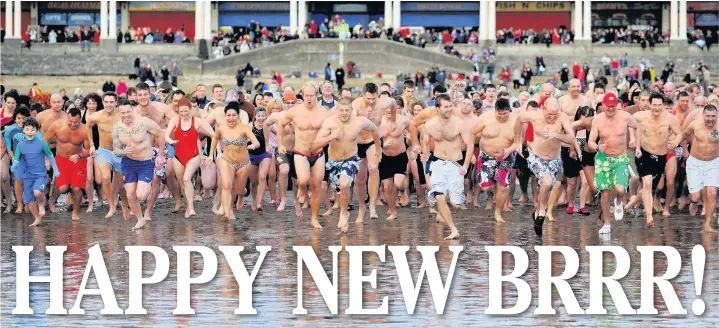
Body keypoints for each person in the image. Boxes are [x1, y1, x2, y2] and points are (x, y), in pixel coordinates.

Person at [313, 97, 381, 232]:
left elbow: (374, 130)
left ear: (352, 110)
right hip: (333, 162)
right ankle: (345, 212)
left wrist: (378, 149)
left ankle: (344, 213)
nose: (344, 113)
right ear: (337, 110)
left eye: (347, 110)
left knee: (345, 184)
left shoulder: (359, 122)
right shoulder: (330, 123)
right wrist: (331, 137)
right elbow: (316, 144)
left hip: (351, 160)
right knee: (340, 190)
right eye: (342, 110)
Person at [513, 97, 576, 235]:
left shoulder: (563, 118)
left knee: (551, 185)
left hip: (554, 158)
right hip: (537, 156)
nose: (552, 117)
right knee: (546, 182)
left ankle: (537, 213)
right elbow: (518, 120)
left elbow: (571, 138)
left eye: (555, 114)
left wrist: (557, 135)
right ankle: (541, 211)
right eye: (549, 114)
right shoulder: (534, 116)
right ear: (543, 109)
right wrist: (517, 141)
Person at [278, 83, 333, 228]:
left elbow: (334, 127)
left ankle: (314, 219)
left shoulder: (324, 112)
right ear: (302, 95)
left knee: (316, 187)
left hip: (318, 153)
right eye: (306, 95)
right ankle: (302, 190)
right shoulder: (295, 111)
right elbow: (280, 125)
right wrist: (280, 144)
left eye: (312, 95)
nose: (309, 98)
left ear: (317, 95)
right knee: (302, 180)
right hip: (300, 152)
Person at [586, 93, 642, 234]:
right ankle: (607, 224)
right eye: (608, 106)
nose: (610, 109)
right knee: (604, 193)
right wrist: (598, 147)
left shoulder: (625, 117)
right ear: (603, 105)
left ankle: (618, 201)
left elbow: (638, 127)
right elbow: (590, 142)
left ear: (616, 105)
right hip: (603, 158)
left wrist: (637, 146)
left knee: (621, 189)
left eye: (613, 106)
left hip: (620, 157)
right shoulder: (597, 120)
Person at [420, 94, 474, 240]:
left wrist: (466, 164)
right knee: (438, 196)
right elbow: (424, 141)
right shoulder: (429, 125)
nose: (450, 109)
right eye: (446, 106)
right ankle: (453, 229)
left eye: (451, 106)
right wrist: (424, 153)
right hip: (437, 162)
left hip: (455, 163)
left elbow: (470, 144)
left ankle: (443, 210)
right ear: (437, 108)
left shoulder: (459, 124)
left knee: (455, 203)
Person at [112, 99, 167, 230]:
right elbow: (116, 150)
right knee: (130, 194)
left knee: (141, 195)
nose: (126, 115)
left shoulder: (143, 122)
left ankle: (146, 188)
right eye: (123, 113)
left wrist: (160, 155)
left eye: (128, 112)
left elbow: (160, 134)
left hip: (145, 163)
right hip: (128, 162)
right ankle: (140, 219)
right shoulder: (117, 128)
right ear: (118, 113)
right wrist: (123, 151)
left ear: (132, 110)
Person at [630, 93, 682, 225]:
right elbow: (629, 122)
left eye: (659, 105)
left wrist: (675, 142)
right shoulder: (641, 116)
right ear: (650, 104)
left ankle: (633, 201)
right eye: (654, 105)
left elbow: (680, 133)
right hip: (644, 154)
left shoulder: (670, 118)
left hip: (661, 156)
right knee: (647, 184)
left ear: (663, 105)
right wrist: (632, 138)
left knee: (651, 187)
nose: (657, 108)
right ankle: (649, 218)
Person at [206, 102, 260, 220]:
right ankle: (228, 212)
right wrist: (211, 154)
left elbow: (256, 141)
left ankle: (241, 196)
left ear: (238, 116)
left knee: (239, 189)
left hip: (243, 163)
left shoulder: (244, 129)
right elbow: (215, 138)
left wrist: (253, 145)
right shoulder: (221, 129)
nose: (231, 118)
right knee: (226, 186)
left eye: (233, 115)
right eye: (228, 115)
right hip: (227, 160)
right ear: (225, 116)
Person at [671, 104, 718, 232]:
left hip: (713, 163)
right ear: (703, 115)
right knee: (695, 197)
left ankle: (707, 225)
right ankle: (694, 202)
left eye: (713, 116)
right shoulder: (695, 124)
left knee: (712, 194)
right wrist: (676, 142)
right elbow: (683, 134)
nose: (710, 119)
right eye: (707, 116)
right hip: (695, 163)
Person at [165, 98, 214, 218]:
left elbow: (214, 135)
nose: (183, 114)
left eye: (186, 111)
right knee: (183, 183)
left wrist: (211, 154)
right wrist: (171, 140)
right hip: (178, 156)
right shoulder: (175, 120)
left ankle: (191, 207)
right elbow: (166, 135)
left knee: (187, 178)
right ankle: (188, 205)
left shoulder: (197, 121)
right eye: (181, 112)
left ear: (190, 109)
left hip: (194, 155)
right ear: (178, 111)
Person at [85, 92, 130, 220]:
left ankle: (125, 205)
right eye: (106, 102)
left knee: (121, 184)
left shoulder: (122, 115)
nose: (108, 105)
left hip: (119, 152)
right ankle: (112, 206)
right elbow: (87, 126)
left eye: (111, 102)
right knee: (105, 177)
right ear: (102, 102)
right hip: (103, 151)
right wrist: (92, 144)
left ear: (116, 102)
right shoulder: (97, 116)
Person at [471, 98, 516, 222]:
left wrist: (511, 149)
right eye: (499, 113)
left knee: (502, 185)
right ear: (495, 110)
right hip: (486, 156)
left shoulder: (515, 121)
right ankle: (495, 191)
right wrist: (471, 154)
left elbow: (519, 142)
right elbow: (472, 133)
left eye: (505, 114)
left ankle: (498, 213)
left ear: (509, 111)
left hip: (506, 157)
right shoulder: (485, 117)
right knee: (485, 186)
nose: (502, 116)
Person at [43, 108, 92, 221]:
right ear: (67, 118)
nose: (73, 124)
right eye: (70, 121)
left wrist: (80, 155)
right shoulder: (57, 125)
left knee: (76, 188)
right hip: (61, 159)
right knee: (63, 187)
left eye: (76, 122)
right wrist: (46, 158)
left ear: (80, 119)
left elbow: (89, 150)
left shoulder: (84, 130)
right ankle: (51, 201)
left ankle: (75, 212)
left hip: (77, 160)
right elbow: (44, 141)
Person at [10, 117, 59, 227]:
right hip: (27, 176)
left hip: (40, 175)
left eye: (32, 129)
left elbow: (50, 156)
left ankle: (41, 204)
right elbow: (17, 158)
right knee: (28, 200)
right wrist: (14, 166)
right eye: (27, 129)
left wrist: (55, 169)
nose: (30, 132)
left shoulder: (42, 143)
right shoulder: (20, 145)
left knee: (37, 192)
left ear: (36, 130)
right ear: (23, 130)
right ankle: (37, 218)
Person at [378, 97, 410, 220]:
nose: (388, 110)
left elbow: (413, 129)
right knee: (386, 186)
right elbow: (373, 137)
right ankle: (392, 210)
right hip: (385, 156)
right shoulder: (379, 121)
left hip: (400, 156)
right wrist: (382, 145)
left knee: (398, 183)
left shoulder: (403, 120)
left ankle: (403, 191)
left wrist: (413, 142)